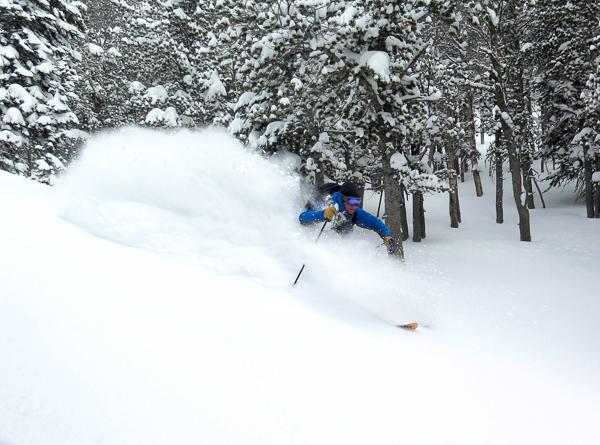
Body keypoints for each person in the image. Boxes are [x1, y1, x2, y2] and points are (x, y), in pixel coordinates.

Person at [299, 181, 398, 254]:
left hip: (336, 249)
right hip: (310, 242)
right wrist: (322, 214)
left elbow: (375, 223)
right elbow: (302, 217)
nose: (354, 206)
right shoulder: (329, 204)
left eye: (357, 202)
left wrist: (387, 236)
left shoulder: (355, 212)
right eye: (351, 202)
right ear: (343, 199)